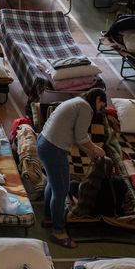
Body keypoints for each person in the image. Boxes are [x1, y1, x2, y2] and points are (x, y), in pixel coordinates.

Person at [36, 88, 107, 248]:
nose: (100, 110)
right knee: (61, 190)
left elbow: (76, 136)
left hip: (44, 142)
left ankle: (49, 218)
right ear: (97, 99)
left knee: (54, 185)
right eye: (102, 105)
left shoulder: (75, 102)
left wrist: (90, 151)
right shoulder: (85, 108)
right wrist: (95, 148)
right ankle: (58, 231)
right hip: (53, 148)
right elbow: (81, 137)